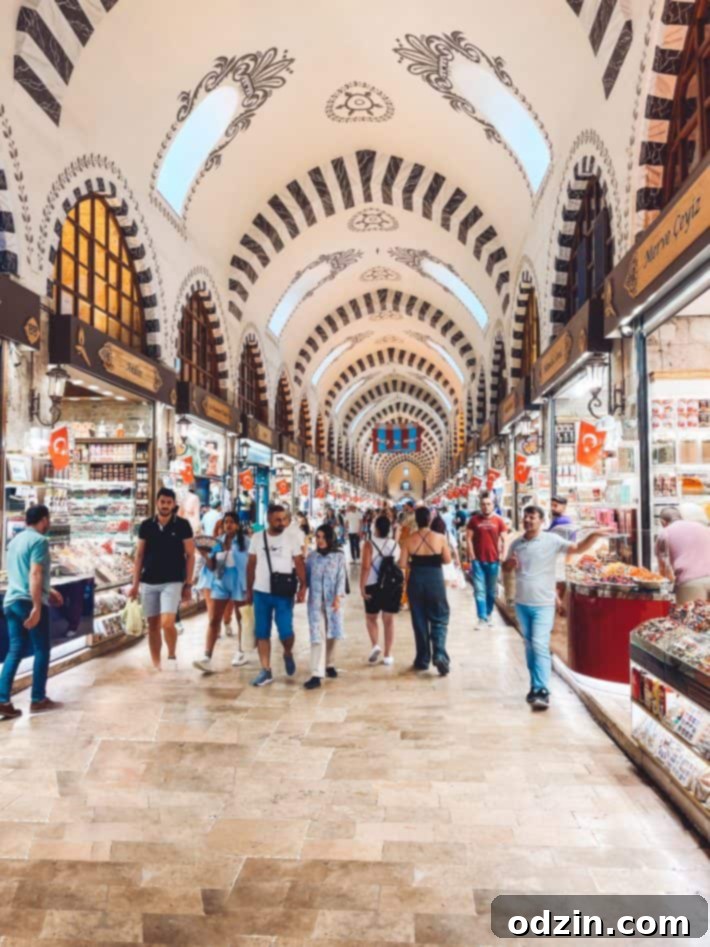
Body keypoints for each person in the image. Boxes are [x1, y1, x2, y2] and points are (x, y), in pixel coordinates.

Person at [503, 505, 610, 710]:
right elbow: (506, 566)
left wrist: (594, 536)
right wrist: (509, 564)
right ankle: (535, 685)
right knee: (529, 646)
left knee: (540, 645)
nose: (527, 520)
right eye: (525, 517)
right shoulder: (516, 544)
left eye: (532, 517)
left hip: (543, 603)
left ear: (541, 521)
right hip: (522, 603)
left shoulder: (551, 540)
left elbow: (576, 548)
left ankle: (541, 690)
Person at [0, 505, 64, 719]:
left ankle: (3, 700)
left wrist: (49, 590)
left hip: (11, 602)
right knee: (41, 649)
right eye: (49, 520)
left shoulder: (14, 541)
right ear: (44, 520)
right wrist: (37, 606)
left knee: (15, 650)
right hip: (28, 601)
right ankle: (38, 699)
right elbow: (35, 573)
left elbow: (22, 572)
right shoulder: (39, 541)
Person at [130, 487, 195, 670]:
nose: (165, 505)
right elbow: (139, 555)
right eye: (162, 502)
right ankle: (157, 664)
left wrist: (188, 583)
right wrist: (135, 584)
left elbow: (190, 555)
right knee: (152, 626)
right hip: (148, 581)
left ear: (174, 504)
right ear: (157, 503)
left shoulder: (182, 525)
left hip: (173, 581)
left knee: (167, 622)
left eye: (169, 502)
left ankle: (172, 655)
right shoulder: (146, 525)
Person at [246, 503, 307, 687]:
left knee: (286, 632)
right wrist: (249, 590)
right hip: (261, 592)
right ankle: (266, 670)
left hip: (283, 593)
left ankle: (287, 652)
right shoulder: (257, 538)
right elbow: (251, 565)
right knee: (262, 633)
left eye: (284, 519)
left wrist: (303, 586)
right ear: (268, 520)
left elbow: (299, 562)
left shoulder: (291, 538)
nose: (282, 523)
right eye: (277, 520)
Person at [193, 513, 251, 674]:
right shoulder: (217, 543)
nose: (229, 525)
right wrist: (204, 555)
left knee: (241, 620)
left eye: (232, 522)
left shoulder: (245, 542)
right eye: (226, 522)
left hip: (239, 584)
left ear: (238, 525)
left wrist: (251, 587)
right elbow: (211, 566)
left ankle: (241, 652)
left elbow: (252, 563)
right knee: (214, 619)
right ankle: (207, 656)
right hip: (220, 583)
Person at [399, 507, 452, 676]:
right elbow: (447, 559)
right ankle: (439, 654)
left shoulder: (408, 540)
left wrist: (415, 564)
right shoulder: (440, 538)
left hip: (416, 580)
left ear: (416, 520)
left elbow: (402, 563)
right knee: (439, 616)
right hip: (435, 579)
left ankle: (422, 659)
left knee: (419, 620)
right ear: (429, 520)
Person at [304, 524, 347, 690]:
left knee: (332, 633)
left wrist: (338, 597)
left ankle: (330, 663)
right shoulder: (312, 557)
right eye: (318, 537)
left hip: (332, 601)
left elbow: (341, 578)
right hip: (315, 603)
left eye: (323, 537)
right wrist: (301, 591)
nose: (320, 540)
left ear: (330, 538)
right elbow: (306, 578)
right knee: (317, 635)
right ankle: (316, 673)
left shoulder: (338, 556)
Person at [360, 514, 400, 666]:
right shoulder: (395, 545)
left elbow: (365, 567)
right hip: (390, 586)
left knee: (371, 617)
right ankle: (388, 655)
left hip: (372, 584)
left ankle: (375, 645)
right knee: (388, 621)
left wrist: (362, 587)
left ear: (375, 527)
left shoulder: (369, 544)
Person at [466, 491, 507, 627]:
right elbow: (468, 538)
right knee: (479, 590)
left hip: (494, 560)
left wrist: (503, 554)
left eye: (488, 504)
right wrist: (471, 554)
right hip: (478, 561)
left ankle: (488, 614)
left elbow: (504, 539)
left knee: (491, 590)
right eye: (483, 504)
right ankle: (481, 617)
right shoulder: (474, 520)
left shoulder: (499, 520)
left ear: (493, 505)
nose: (486, 507)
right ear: (480, 505)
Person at [656, 508, 710, 603]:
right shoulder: (702, 527)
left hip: (690, 582)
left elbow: (663, 569)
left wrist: (669, 582)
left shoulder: (665, 532)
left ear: (663, 522)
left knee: (688, 616)